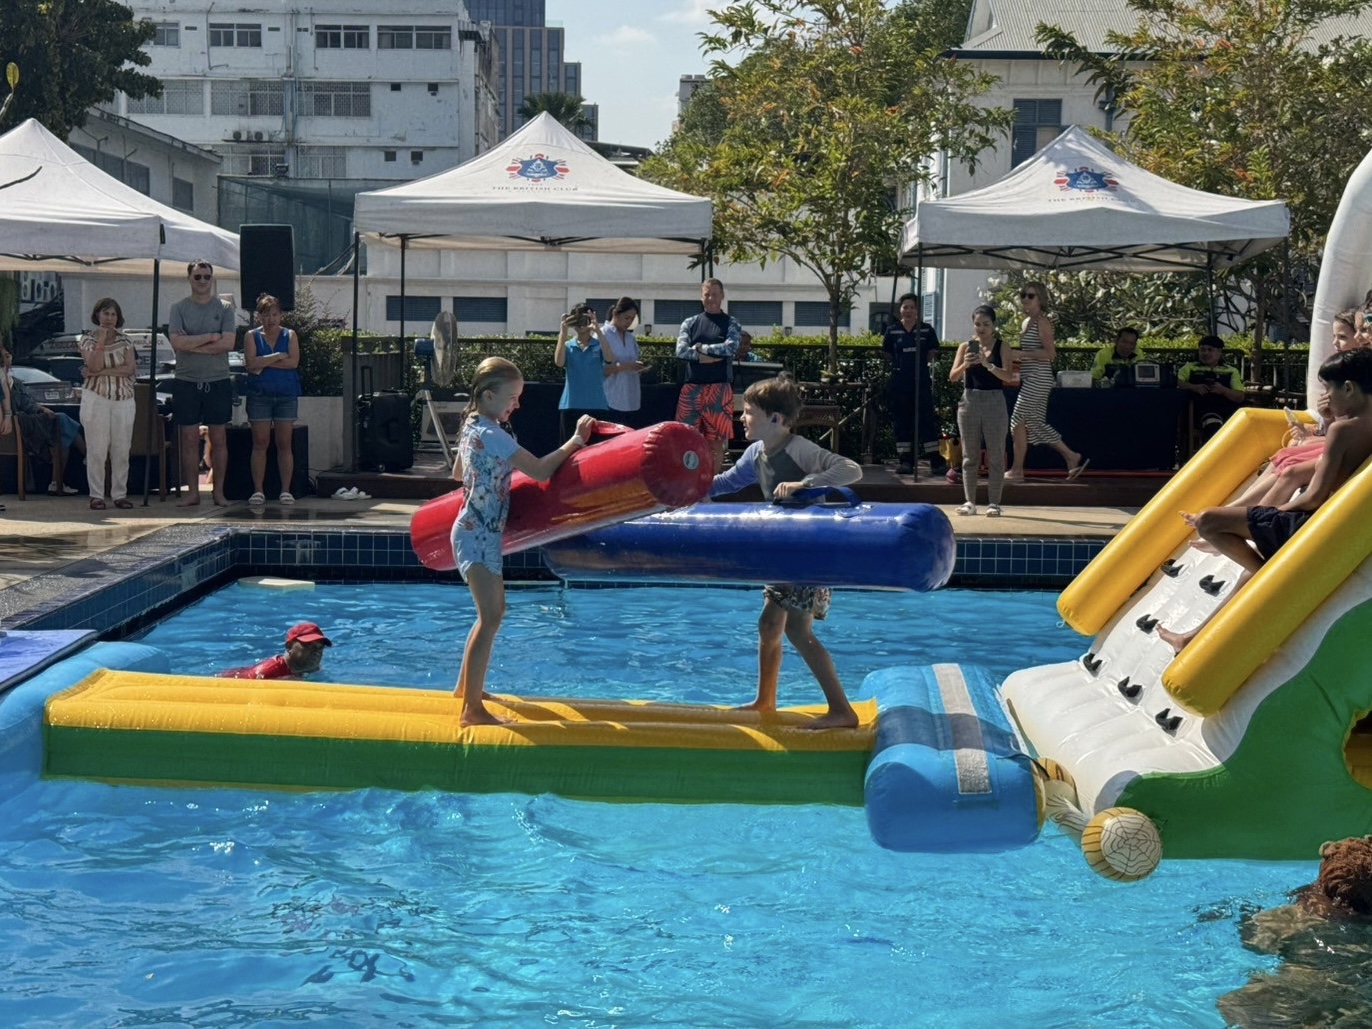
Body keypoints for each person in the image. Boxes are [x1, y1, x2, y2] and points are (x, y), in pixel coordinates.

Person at [1158, 347, 1372, 652]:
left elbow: (1314, 497)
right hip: (1335, 526)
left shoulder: (1342, 430)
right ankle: (1189, 638)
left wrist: (1271, 512)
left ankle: (1265, 576)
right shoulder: (1360, 425)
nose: (1326, 398)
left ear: (1348, 388)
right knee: (1248, 565)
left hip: (1306, 523)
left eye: (1328, 390)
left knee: (1209, 521)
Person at [709, 374, 862, 729]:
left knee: (797, 631)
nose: (741, 418)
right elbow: (728, 482)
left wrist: (805, 483)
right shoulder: (756, 453)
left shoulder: (799, 449)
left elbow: (850, 470)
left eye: (749, 412)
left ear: (775, 419)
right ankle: (765, 701)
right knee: (768, 624)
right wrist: (689, 489)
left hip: (810, 553)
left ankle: (842, 710)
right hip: (783, 552)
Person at [451, 357, 595, 726]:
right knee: (491, 616)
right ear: (488, 396)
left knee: (491, 614)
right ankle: (472, 710)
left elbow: (457, 472)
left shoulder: (472, 427)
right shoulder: (492, 434)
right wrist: (576, 440)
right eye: (512, 397)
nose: (517, 405)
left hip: (477, 531)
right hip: (477, 534)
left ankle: (465, 690)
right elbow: (541, 470)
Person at [169, 259, 237, 507]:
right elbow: (177, 343)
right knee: (188, 439)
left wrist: (192, 344)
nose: (202, 281)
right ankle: (193, 493)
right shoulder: (178, 308)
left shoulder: (225, 308)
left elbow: (228, 344)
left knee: (219, 439)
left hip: (217, 380)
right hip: (186, 380)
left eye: (206, 276)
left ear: (212, 279)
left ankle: (218, 492)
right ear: (189, 278)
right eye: (197, 276)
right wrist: (210, 337)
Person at [1007, 283, 1088, 481]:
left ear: (1040, 299)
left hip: (1039, 377)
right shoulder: (1026, 322)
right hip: (1030, 377)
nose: (1025, 299)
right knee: (1035, 424)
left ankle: (1017, 470)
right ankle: (1071, 456)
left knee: (1017, 420)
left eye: (1030, 296)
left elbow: (1050, 354)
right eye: (1023, 295)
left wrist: (1021, 354)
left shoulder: (1042, 322)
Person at [949, 305, 1018, 517]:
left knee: (996, 454)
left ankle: (994, 502)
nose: (981, 328)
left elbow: (1008, 376)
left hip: (994, 401)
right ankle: (969, 501)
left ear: (994, 325)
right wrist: (965, 365)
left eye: (986, 324)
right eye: (977, 324)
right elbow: (952, 377)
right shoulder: (965, 347)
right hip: (970, 400)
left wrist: (988, 364)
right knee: (970, 455)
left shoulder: (1002, 346)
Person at [0, 344, 86, 497]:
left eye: (8, 356)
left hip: (23, 424)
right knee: (62, 424)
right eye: (3, 356)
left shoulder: (16, 382)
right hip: (19, 426)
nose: (6, 359)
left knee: (62, 431)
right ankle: (87, 456)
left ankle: (57, 482)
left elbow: (28, 403)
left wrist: (41, 409)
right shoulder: (5, 381)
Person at [676, 277, 741, 474]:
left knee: (715, 443)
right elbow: (681, 351)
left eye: (715, 294)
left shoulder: (731, 323)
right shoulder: (690, 322)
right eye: (707, 294)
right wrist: (706, 357)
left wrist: (701, 349)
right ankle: (689, 481)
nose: (711, 298)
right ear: (701, 297)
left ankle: (711, 483)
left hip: (719, 389)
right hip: (691, 389)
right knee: (686, 440)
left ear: (722, 296)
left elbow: (730, 348)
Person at [78, 298, 138, 510]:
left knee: (121, 449)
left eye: (113, 314)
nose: (109, 318)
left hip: (123, 398)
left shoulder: (126, 341)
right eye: (106, 313)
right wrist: (101, 341)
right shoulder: (87, 339)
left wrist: (99, 372)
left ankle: (119, 494)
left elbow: (129, 369)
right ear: (97, 315)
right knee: (97, 449)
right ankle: (97, 495)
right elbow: (92, 364)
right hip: (97, 397)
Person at [242, 293, 302, 506]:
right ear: (260, 316)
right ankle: (258, 490)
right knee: (260, 443)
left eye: (275, 314)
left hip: (286, 395)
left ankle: (285, 490)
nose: (271, 319)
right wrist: (277, 356)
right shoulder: (251, 336)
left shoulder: (290, 335)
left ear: (281, 315)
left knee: (284, 443)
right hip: (260, 395)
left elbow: (293, 362)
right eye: (266, 315)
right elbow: (250, 364)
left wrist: (263, 362)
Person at [881, 292, 947, 477]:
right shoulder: (892, 330)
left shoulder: (926, 330)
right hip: (900, 383)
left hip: (921, 382)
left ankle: (935, 461)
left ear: (917, 310)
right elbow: (887, 352)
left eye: (912, 307)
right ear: (900, 310)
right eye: (905, 307)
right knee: (902, 421)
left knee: (926, 421)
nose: (908, 311)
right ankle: (906, 461)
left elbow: (932, 352)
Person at [555, 303, 611, 438]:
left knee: (597, 447)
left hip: (596, 405)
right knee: (569, 446)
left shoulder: (599, 344)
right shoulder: (568, 345)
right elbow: (559, 362)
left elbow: (610, 358)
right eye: (577, 319)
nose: (581, 323)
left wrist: (598, 330)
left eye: (584, 319)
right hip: (571, 405)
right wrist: (563, 332)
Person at [1177, 334, 1246, 443]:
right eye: (1202, 350)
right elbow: (1177, 382)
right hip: (1196, 412)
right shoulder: (1190, 367)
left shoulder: (1231, 371)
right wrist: (1194, 387)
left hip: (1224, 412)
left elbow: (1239, 397)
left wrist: (1223, 390)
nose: (1205, 353)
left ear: (1219, 352)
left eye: (1210, 350)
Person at [217, 621, 332, 679]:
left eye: (320, 647)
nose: (316, 652)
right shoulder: (267, 673)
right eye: (308, 645)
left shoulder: (312, 667)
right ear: (289, 646)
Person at [600, 296, 647, 419]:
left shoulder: (630, 338)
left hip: (630, 398)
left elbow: (634, 360)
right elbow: (598, 369)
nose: (629, 322)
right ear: (615, 313)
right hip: (609, 398)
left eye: (632, 319)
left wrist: (639, 367)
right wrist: (625, 366)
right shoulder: (602, 334)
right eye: (626, 318)